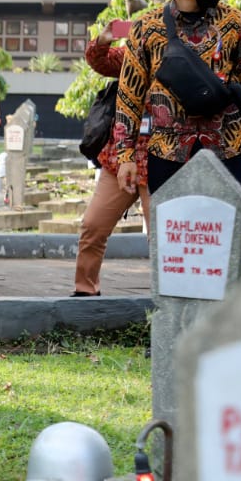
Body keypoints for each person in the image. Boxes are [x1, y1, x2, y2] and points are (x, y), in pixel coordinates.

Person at [114, 0, 241, 196]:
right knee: (172, 234)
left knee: (221, 233)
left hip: (227, 150)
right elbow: (129, 95)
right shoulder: (148, 27)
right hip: (168, 153)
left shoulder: (233, 23)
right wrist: (125, 155)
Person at [72, 28, 151, 297]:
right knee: (93, 225)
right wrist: (104, 39)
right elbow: (99, 61)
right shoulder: (132, 54)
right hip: (119, 159)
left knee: (163, 237)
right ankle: (85, 290)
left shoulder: (183, 55)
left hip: (163, 159)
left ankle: (171, 296)